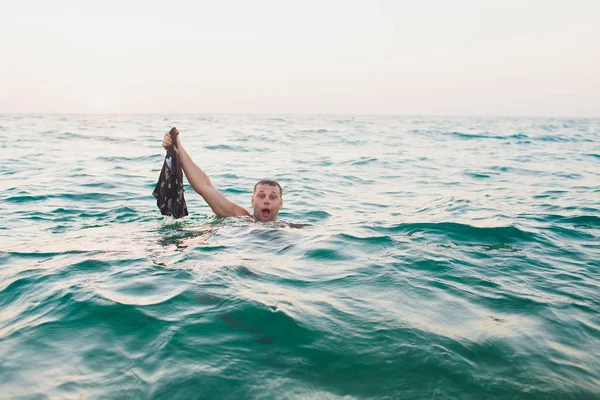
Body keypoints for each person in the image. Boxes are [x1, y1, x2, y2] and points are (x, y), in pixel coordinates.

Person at [162, 130, 283, 222]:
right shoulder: (240, 218)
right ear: (253, 201)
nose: (266, 201)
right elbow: (205, 187)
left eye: (272, 197)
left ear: (280, 203)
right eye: (261, 196)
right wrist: (177, 146)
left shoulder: (289, 229)